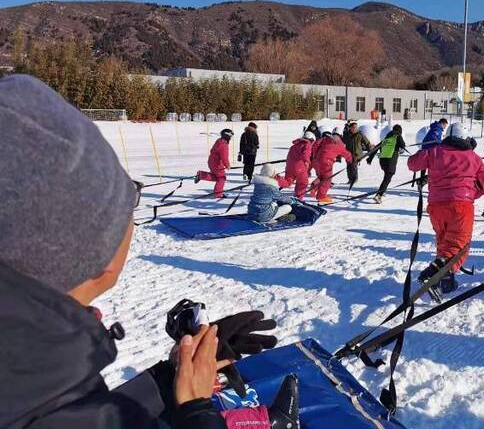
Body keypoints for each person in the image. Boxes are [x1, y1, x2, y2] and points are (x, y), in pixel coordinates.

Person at [0, 75, 287, 429]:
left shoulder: (28, 372)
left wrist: (171, 378)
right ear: (90, 249)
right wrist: (197, 411)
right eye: (126, 203)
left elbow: (84, 416)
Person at [408, 122, 484, 296]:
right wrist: (470, 193)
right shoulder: (473, 157)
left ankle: (447, 283)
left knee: (444, 242)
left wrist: (428, 149)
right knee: (458, 246)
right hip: (461, 206)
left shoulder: (435, 151)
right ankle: (432, 275)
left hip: (436, 207)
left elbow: (412, 164)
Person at [310, 129, 352, 204]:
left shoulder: (325, 139)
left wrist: (315, 155)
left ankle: (314, 187)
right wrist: (352, 159)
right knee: (327, 180)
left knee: (321, 176)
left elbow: (315, 144)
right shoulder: (339, 144)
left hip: (317, 160)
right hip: (327, 163)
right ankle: (321, 196)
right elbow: (346, 154)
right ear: (340, 135)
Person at [369, 124, 406, 204]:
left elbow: (376, 147)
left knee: (386, 176)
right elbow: (403, 145)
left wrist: (370, 158)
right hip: (391, 161)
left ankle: (383, 190)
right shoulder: (397, 135)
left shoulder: (387, 137)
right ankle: (379, 195)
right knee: (387, 178)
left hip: (382, 161)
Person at [281, 132, 315, 200]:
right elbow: (305, 155)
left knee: (288, 181)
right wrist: (308, 162)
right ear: (311, 139)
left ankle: (276, 179)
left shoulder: (295, 145)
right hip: (299, 166)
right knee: (303, 182)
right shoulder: (307, 144)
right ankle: (298, 197)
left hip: (289, 166)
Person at [342, 121, 373, 187]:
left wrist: (370, 150)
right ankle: (350, 179)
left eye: (355, 128)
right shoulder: (347, 135)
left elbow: (367, 142)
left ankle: (354, 179)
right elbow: (343, 141)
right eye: (353, 128)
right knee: (348, 167)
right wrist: (344, 132)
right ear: (350, 128)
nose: (354, 129)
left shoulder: (360, 135)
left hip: (357, 154)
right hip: (348, 154)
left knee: (353, 166)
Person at [208, 128, 233, 198]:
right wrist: (227, 165)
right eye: (230, 136)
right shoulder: (224, 145)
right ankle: (218, 194)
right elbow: (224, 157)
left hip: (211, 161)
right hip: (217, 164)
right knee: (222, 178)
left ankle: (201, 175)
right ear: (227, 136)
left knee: (217, 177)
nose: (231, 138)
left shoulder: (219, 141)